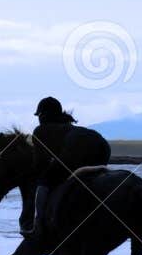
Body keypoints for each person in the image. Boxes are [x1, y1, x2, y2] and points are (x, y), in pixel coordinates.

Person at [29, 97, 111, 238]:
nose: (39, 119)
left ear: (43, 115)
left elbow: (40, 163)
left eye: (39, 116)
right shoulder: (69, 127)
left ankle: (39, 224)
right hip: (102, 145)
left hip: (74, 152)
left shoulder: (40, 131)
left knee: (44, 182)